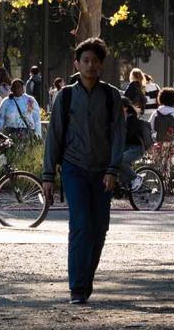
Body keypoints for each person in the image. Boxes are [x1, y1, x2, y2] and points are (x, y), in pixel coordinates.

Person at [41, 37, 125, 305]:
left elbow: (118, 135)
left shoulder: (111, 96)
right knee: (80, 225)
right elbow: (54, 136)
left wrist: (113, 169)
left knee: (99, 228)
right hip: (73, 169)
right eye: (85, 61)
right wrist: (47, 176)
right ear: (76, 64)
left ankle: (86, 279)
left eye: (95, 61)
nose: (90, 66)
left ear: (101, 65)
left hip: (103, 171)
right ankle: (77, 287)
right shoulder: (64, 97)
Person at [118, 98, 152, 192]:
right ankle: (123, 186)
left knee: (121, 161)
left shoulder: (132, 119)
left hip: (136, 148)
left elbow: (127, 135)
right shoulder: (121, 119)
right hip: (127, 147)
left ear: (125, 108)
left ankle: (136, 178)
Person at [150, 88, 174, 178]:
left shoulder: (156, 113)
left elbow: (150, 126)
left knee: (158, 162)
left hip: (158, 141)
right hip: (170, 141)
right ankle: (166, 181)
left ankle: (158, 182)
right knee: (167, 163)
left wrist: (153, 137)